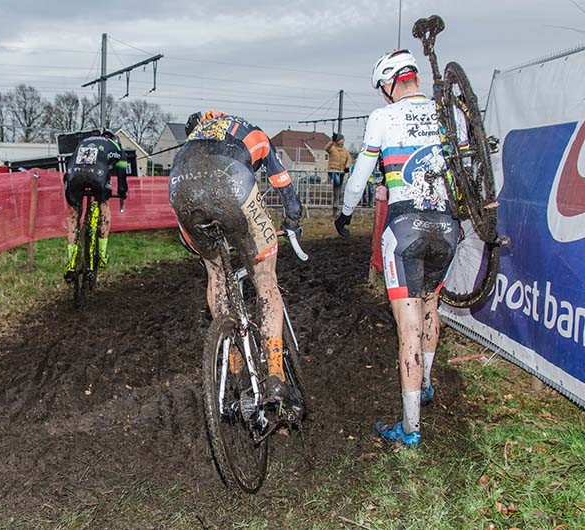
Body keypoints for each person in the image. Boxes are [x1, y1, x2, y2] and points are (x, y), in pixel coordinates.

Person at [334, 49, 467, 447]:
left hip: (405, 228)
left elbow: (359, 176)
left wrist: (344, 214)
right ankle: (425, 383)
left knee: (407, 329)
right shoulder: (450, 113)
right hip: (447, 226)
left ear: (390, 84)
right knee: (431, 307)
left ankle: (410, 429)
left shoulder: (384, 117)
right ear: (415, 79)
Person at [170, 110, 303, 412]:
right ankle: (275, 376)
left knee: (216, 273)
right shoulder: (252, 132)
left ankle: (237, 367)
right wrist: (293, 218)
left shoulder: (192, 139)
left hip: (181, 184)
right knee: (265, 278)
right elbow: (281, 181)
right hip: (232, 182)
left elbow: (182, 228)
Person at [63, 129, 128, 281]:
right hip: (97, 177)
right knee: (104, 205)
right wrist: (122, 192)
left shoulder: (84, 143)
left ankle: (71, 263)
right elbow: (122, 175)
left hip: (74, 177)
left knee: (74, 215)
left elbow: (68, 166)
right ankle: (103, 256)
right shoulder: (116, 147)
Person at [325, 132, 353, 216]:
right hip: (333, 170)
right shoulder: (332, 148)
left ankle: (335, 206)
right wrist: (332, 141)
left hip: (341, 172)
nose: (342, 141)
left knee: (338, 189)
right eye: (340, 139)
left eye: (342, 139)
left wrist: (347, 167)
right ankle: (336, 190)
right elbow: (326, 148)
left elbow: (349, 159)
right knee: (336, 182)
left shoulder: (345, 150)